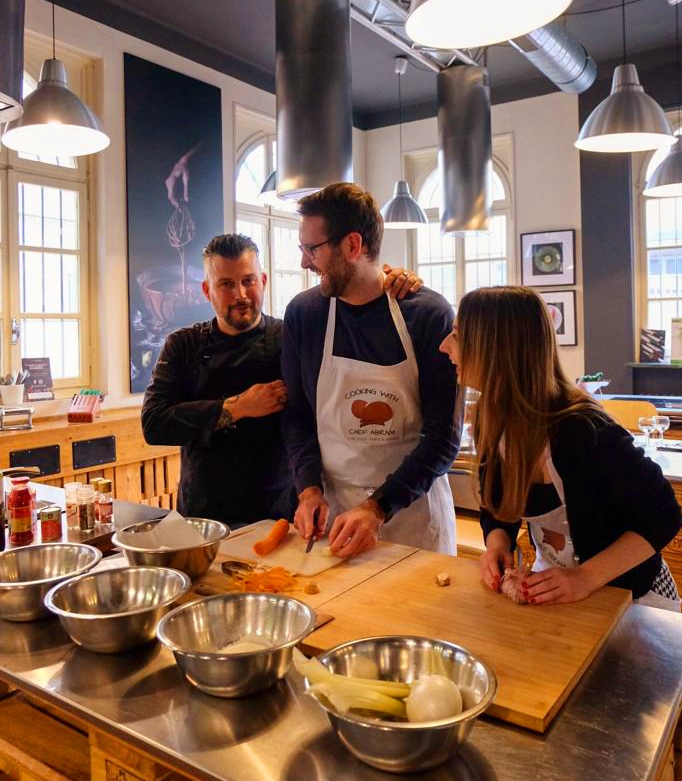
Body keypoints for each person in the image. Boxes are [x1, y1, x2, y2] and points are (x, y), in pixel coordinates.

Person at [141, 232, 422, 527]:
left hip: (281, 512)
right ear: (206, 290)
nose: (240, 294)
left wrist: (387, 280)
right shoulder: (182, 345)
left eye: (248, 281)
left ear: (263, 281)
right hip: (204, 514)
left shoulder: (291, 336)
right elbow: (154, 425)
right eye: (226, 284)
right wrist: (238, 407)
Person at [439, 285, 682, 610]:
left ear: (497, 347)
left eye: (457, 335)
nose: (444, 346)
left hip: (634, 596)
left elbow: (663, 514)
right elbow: (497, 506)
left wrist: (585, 577)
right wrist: (498, 544)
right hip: (560, 590)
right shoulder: (491, 419)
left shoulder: (582, 429)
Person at [282, 183, 460, 558]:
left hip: (413, 519)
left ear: (352, 245)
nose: (304, 263)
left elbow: (443, 438)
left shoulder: (427, 315)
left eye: (311, 249)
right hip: (335, 519)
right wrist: (308, 488)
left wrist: (378, 507)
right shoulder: (305, 314)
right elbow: (297, 416)